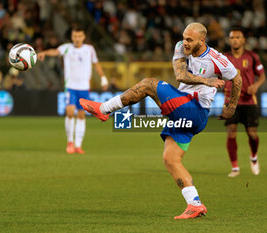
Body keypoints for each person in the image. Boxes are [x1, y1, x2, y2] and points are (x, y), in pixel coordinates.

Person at [80, 23, 242, 219]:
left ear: (202, 40)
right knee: (171, 160)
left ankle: (104, 109)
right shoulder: (180, 47)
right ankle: (195, 204)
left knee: (149, 84)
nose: (185, 42)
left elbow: (237, 78)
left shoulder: (217, 59)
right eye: (184, 37)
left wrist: (231, 106)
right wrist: (206, 81)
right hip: (185, 110)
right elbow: (180, 75)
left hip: (194, 110)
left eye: (190, 40)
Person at [37, 25, 108, 154]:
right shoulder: (67, 48)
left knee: (81, 115)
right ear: (72, 37)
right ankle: (70, 142)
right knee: (70, 111)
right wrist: (44, 53)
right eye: (75, 36)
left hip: (84, 88)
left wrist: (103, 78)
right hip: (70, 87)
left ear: (84, 37)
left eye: (79, 36)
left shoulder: (89, 49)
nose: (77, 39)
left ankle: (78, 145)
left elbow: (96, 64)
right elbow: (55, 51)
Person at [223, 27, 266, 177]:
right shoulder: (224, 58)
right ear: (229, 40)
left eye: (238, 37)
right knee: (231, 132)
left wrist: (255, 86)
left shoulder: (252, 57)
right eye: (232, 37)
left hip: (249, 101)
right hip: (231, 101)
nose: (235, 40)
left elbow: (262, 76)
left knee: (252, 134)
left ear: (243, 40)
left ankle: (253, 157)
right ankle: (235, 167)